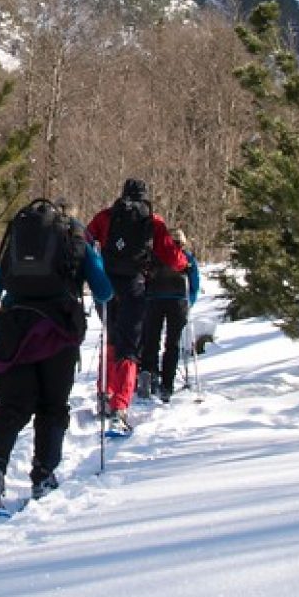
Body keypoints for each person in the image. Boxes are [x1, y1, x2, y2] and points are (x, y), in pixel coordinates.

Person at [0, 201, 112, 510]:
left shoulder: (20, 237)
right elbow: (104, 291)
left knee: (11, 405)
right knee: (52, 407)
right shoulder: (76, 238)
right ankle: (43, 476)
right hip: (58, 332)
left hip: (14, 328)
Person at [86, 179, 187, 436]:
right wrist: (184, 261)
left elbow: (85, 240)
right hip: (134, 286)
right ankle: (120, 404)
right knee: (129, 345)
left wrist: (95, 268)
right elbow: (173, 258)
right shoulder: (152, 221)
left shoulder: (107, 216)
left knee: (110, 338)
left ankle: (103, 392)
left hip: (107, 286)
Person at [138, 228, 201, 403]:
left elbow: (144, 279)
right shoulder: (186, 258)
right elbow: (194, 283)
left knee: (151, 340)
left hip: (153, 301)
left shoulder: (154, 256)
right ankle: (167, 385)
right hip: (178, 302)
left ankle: (148, 376)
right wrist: (190, 302)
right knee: (172, 344)